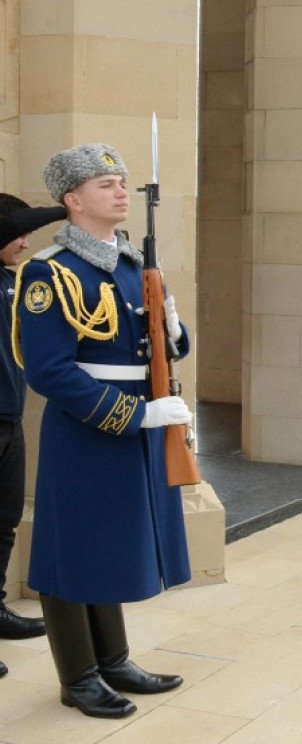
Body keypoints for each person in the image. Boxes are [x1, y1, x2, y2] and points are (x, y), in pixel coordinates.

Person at [13, 143, 194, 717]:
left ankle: (113, 661)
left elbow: (162, 351)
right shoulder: (50, 272)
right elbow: (49, 371)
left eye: (122, 182)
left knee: (110, 545)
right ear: (73, 200)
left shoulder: (133, 264)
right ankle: (79, 676)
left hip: (144, 422)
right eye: (104, 184)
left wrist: (172, 326)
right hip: (91, 430)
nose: (121, 191)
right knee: (72, 551)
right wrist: (134, 414)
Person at [0, 194, 69, 680]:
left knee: (3, 523)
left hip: (9, 420)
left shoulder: (13, 281)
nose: (25, 241)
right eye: (16, 233)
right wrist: (69, 208)